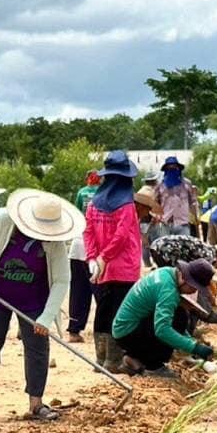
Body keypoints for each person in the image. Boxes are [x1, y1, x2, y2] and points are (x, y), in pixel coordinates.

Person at [0, 189, 83, 421]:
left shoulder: (54, 240)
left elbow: (62, 280)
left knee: (37, 346)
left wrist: (46, 317)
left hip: (34, 300)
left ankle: (36, 404)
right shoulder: (3, 220)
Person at [112, 259, 217, 377]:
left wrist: (192, 343)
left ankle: (133, 358)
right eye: (193, 287)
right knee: (179, 316)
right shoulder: (168, 291)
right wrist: (194, 348)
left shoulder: (167, 273)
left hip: (126, 330)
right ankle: (154, 366)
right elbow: (162, 330)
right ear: (184, 279)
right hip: (128, 333)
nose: (193, 292)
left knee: (178, 315)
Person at [85, 150, 143, 373]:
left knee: (103, 309)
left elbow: (88, 231)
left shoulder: (94, 203)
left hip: (101, 269)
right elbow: (121, 237)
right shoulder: (126, 205)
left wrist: (93, 258)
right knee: (120, 312)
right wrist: (102, 257)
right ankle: (113, 360)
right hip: (123, 266)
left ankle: (101, 359)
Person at [66, 171, 102, 343]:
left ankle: (74, 330)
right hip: (94, 249)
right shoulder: (105, 195)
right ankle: (102, 332)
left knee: (78, 290)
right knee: (100, 291)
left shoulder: (81, 192)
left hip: (78, 244)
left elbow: (75, 214)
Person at [155, 156, 199, 237]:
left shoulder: (186, 184)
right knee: (165, 249)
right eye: (169, 168)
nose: (172, 170)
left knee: (185, 248)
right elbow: (155, 204)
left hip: (183, 224)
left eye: (174, 167)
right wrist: (157, 217)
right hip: (166, 224)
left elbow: (193, 202)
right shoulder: (160, 186)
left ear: (178, 169)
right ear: (166, 170)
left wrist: (196, 218)